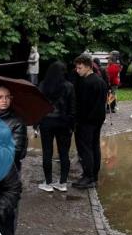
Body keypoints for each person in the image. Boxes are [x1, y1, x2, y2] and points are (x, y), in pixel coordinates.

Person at [0, 85, 26, 235]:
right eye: (0, 97)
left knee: (6, 218)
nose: (4, 100)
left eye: (7, 97)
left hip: (7, 180)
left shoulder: (16, 123)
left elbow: (16, 152)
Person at [37, 61, 75, 191]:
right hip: (63, 122)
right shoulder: (69, 86)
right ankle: (63, 183)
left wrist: (37, 122)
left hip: (46, 122)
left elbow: (39, 105)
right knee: (64, 153)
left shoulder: (43, 85)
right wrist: (71, 124)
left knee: (47, 152)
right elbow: (72, 108)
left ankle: (48, 182)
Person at [72, 54, 108, 189]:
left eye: (80, 68)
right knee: (94, 146)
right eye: (76, 68)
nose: (77, 70)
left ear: (88, 67)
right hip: (97, 119)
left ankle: (88, 177)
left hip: (86, 121)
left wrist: (77, 120)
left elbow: (82, 105)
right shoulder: (100, 81)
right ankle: (93, 175)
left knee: (85, 149)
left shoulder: (86, 83)